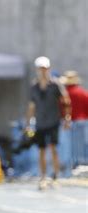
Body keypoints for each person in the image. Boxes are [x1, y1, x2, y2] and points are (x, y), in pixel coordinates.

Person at [26, 56, 70, 189]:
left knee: (53, 148)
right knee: (41, 150)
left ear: (48, 68)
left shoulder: (55, 84)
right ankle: (43, 177)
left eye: (45, 68)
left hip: (53, 121)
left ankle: (56, 176)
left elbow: (66, 101)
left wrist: (67, 117)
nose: (43, 71)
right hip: (40, 122)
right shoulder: (34, 87)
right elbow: (31, 107)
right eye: (40, 68)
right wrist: (28, 123)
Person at [60, 71, 88, 167]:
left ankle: (73, 163)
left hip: (69, 121)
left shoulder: (65, 94)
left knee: (70, 144)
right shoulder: (83, 92)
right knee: (82, 143)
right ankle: (82, 162)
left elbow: (62, 107)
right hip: (82, 121)